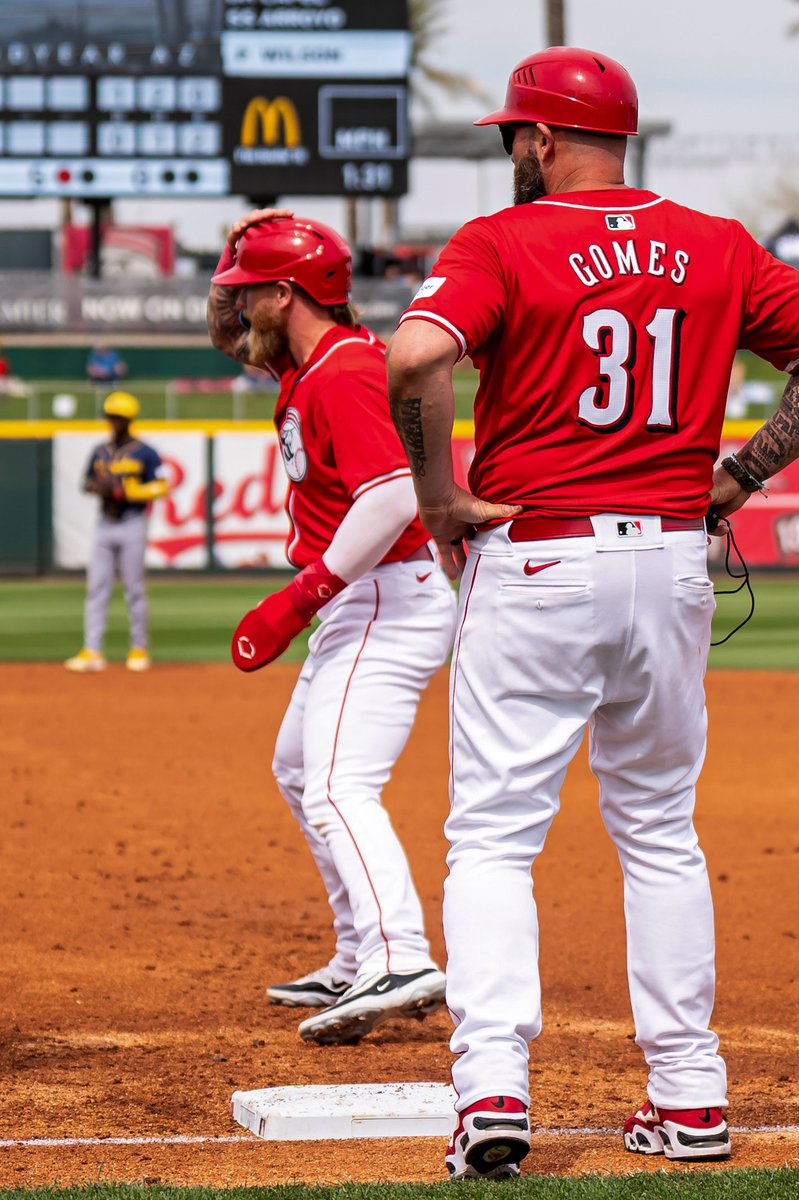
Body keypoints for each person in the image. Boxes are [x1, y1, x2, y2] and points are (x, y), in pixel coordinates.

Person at [386, 45, 799, 1180]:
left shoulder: (502, 240)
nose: (511, 151)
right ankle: (691, 1099)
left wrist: (439, 498)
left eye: (516, 134)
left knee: (496, 836)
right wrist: (743, 473)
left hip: (539, 556)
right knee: (658, 830)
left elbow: (415, 355)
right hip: (670, 559)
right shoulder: (714, 241)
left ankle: (493, 1089)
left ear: (546, 138)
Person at [207, 210, 457, 1045]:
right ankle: (358, 952)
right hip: (366, 595)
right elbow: (225, 338)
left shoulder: (345, 370)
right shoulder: (310, 361)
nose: (238, 311)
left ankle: (400, 954)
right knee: (297, 768)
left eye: (250, 295)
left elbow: (391, 497)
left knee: (339, 785)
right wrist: (228, 260)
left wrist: (299, 596)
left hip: (385, 593)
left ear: (286, 293)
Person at [64, 391, 169, 673]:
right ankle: (92, 649)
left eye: (118, 418)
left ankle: (138, 648)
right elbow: (86, 483)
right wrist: (97, 487)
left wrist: (130, 491)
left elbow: (161, 485)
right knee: (96, 587)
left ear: (128, 420)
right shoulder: (100, 451)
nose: (113, 422)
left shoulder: (145, 452)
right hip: (105, 522)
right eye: (110, 416)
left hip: (133, 522)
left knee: (134, 588)